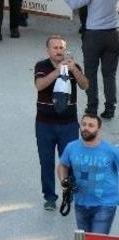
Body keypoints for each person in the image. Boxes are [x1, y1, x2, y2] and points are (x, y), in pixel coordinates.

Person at [55, 0, 119, 118]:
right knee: (109, 74)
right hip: (113, 34)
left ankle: (92, 108)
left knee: (90, 72)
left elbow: (74, 4)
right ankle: (110, 108)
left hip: (94, 36)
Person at [35, 35, 90, 211]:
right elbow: (40, 85)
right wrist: (58, 71)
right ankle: (50, 197)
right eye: (55, 48)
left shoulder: (74, 66)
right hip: (45, 124)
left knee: (69, 161)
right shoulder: (41, 66)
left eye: (61, 48)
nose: (59, 51)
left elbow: (85, 85)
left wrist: (75, 71)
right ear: (48, 50)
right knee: (46, 162)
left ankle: (69, 193)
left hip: (68, 124)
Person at [58, 113, 119, 233]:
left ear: (98, 129)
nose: (86, 128)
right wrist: (64, 182)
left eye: (91, 125)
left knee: (97, 238)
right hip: (80, 202)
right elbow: (62, 165)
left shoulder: (111, 150)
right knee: (84, 237)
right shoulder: (71, 147)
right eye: (84, 124)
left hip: (105, 204)